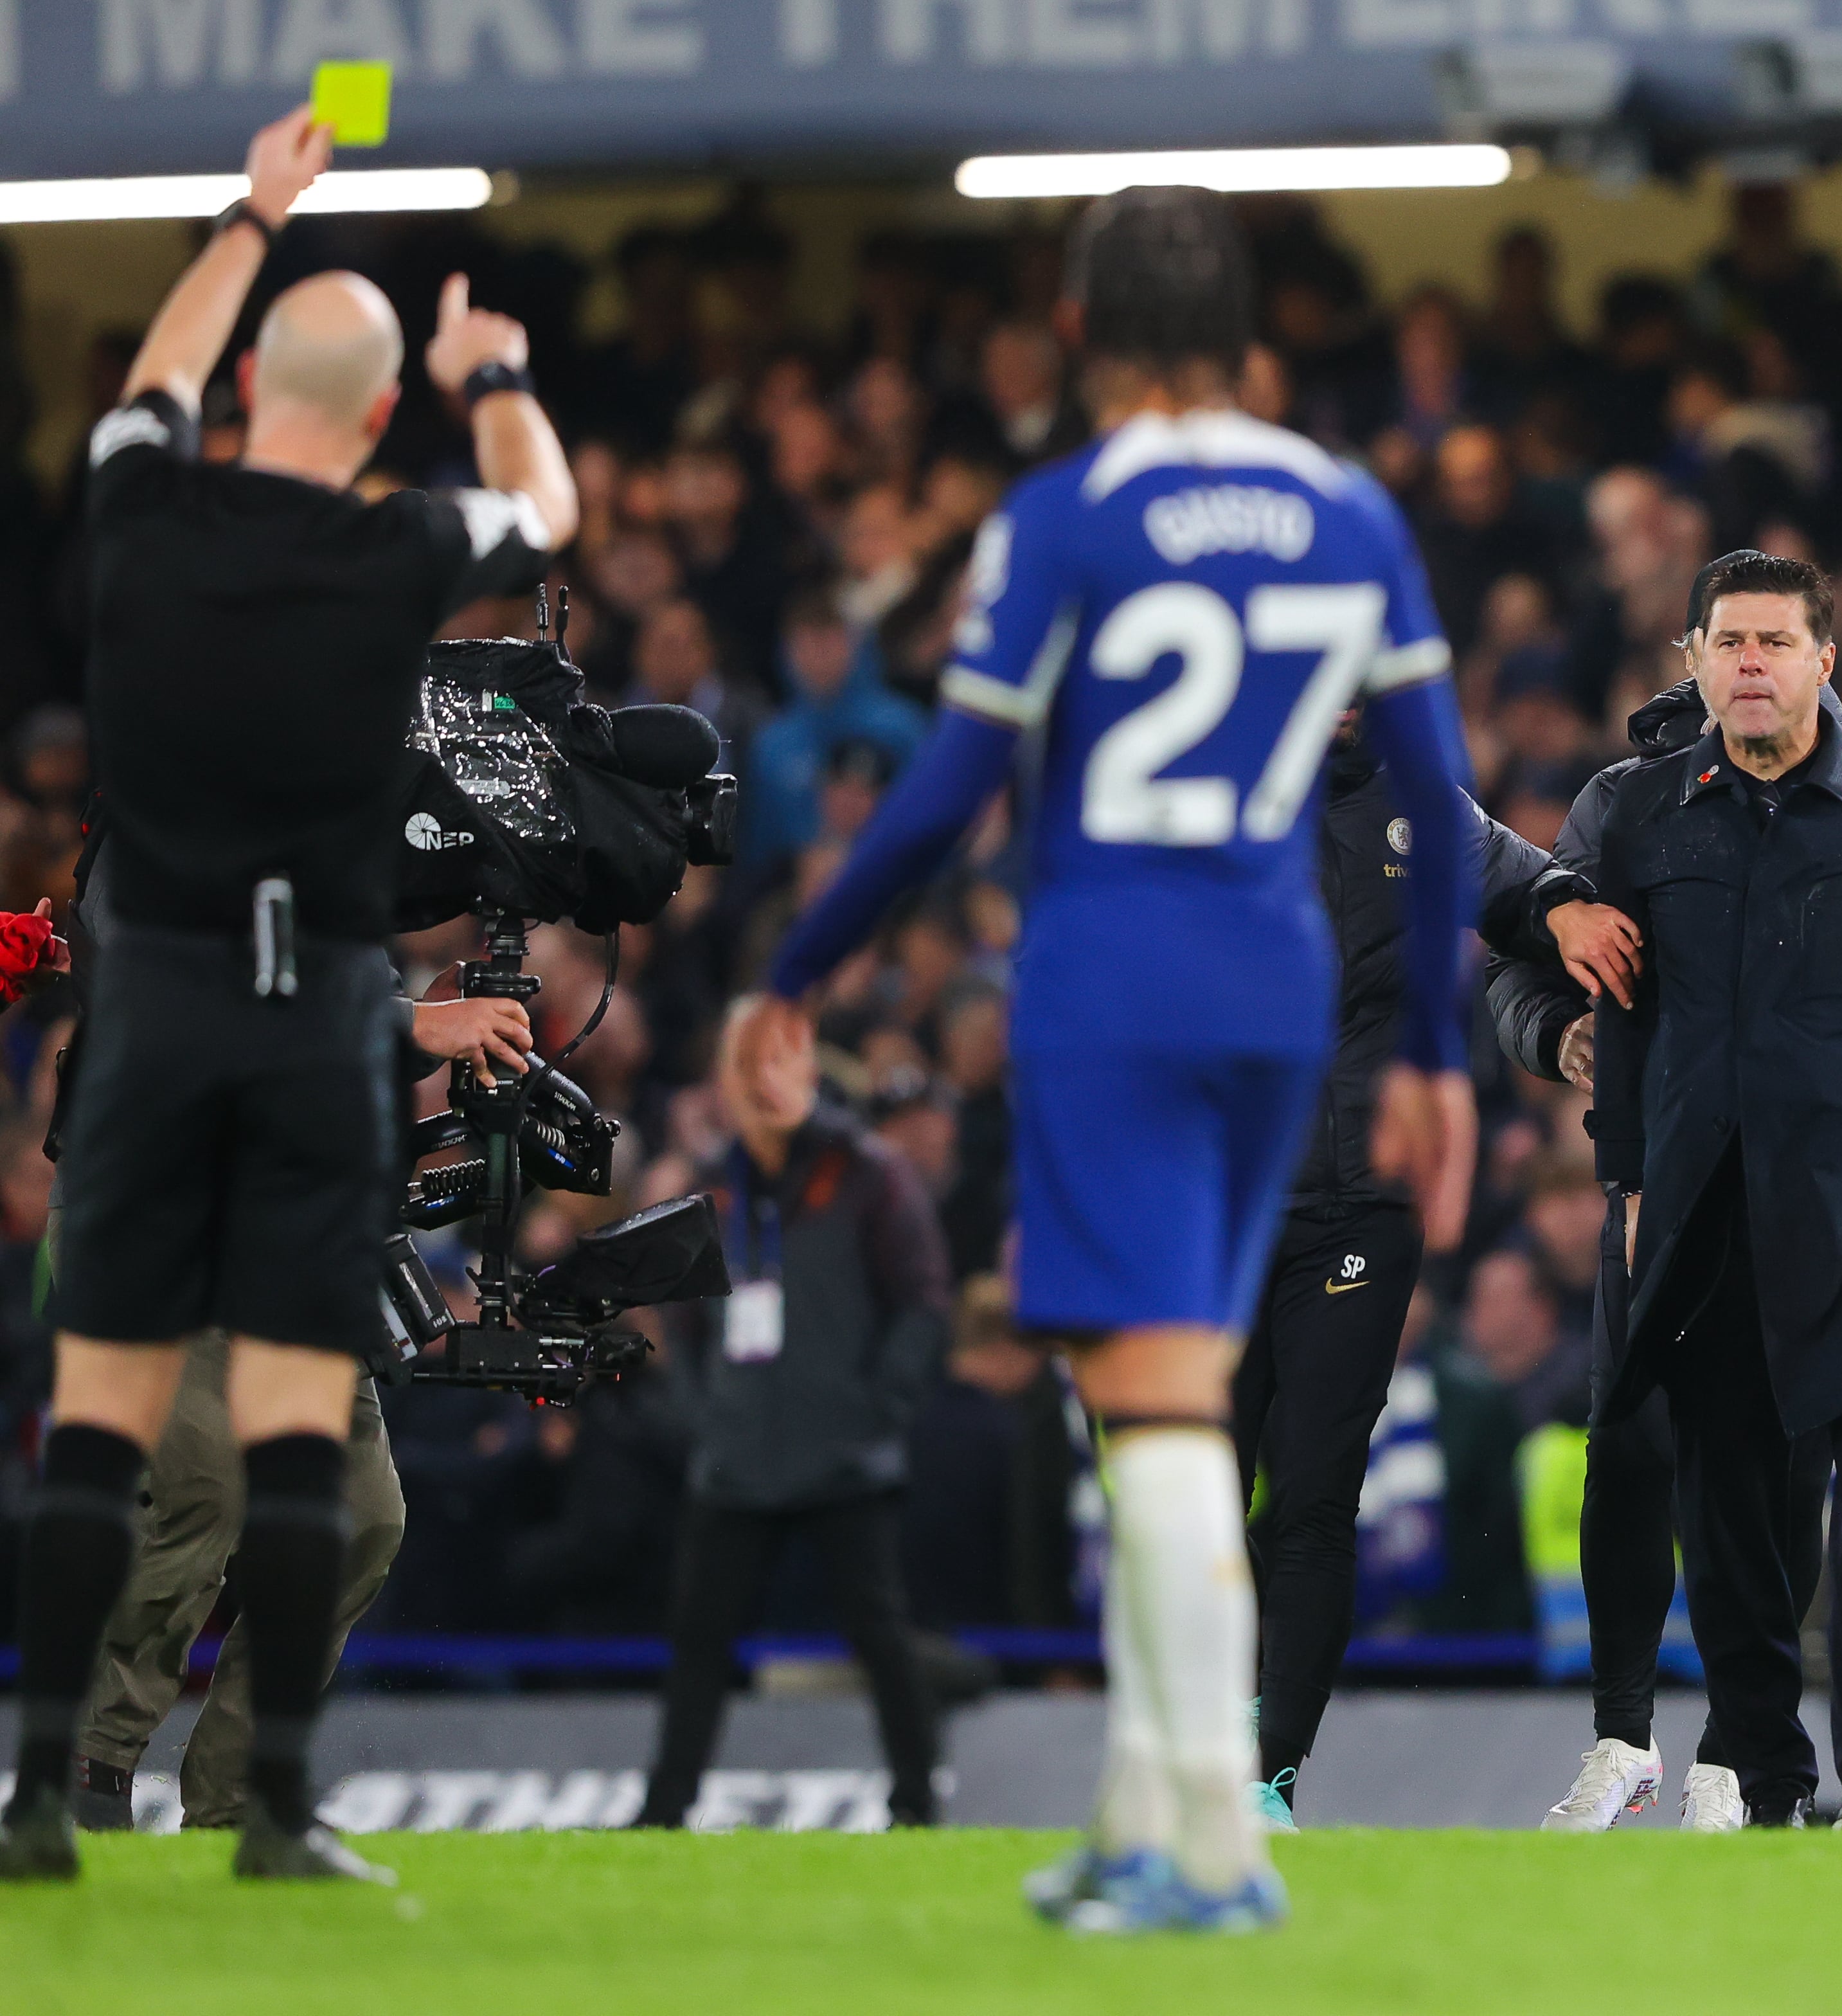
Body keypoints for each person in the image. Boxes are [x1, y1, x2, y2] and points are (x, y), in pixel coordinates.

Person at [741, 186, 1476, 1935]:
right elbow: (1439, 810)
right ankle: (1145, 1808)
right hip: (1279, 999)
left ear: (1077, 333)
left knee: (1149, 1408)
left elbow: (945, 790)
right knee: (1174, 1390)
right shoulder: (1350, 507)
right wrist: (1440, 1050)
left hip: (1110, 984)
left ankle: (1214, 1842)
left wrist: (799, 967)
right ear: (1248, 335)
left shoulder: (1062, 515)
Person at [3, 106, 573, 1886]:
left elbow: (145, 391)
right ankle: (283, 1820)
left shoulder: (145, 506)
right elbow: (547, 507)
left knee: (101, 1424)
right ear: (383, 416)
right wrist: (498, 371)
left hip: (156, 1014)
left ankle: (33, 1809)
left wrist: (252, 219)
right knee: (298, 1431)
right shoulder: (397, 547)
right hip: (318, 1016)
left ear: (247, 383)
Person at [1491, 672, 1842, 1832]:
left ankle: (1763, 1757)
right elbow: (1523, 951)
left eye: (1772, 641)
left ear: (1816, 662)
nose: (1749, 669)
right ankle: (1627, 1733)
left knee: (1806, 1462)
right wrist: (1559, 1035)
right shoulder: (1627, 804)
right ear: (1700, 659)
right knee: (1649, 1449)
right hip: (1670, 1183)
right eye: (1729, 643)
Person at [1226, 708, 1631, 1832]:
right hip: (1218, 1202)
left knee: (1310, 1496)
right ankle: (1186, 1754)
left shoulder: (1423, 806)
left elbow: (1527, 889)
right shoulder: (1198, 796)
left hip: (1363, 1200)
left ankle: (1268, 1774)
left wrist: (1573, 920)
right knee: (1196, 1492)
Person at [67, 984, 533, 1832]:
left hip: (295, 1247)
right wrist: (403, 1020)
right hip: (167, 1231)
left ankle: (236, 1794)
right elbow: (199, 999)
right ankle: (95, 1763)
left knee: (362, 1516)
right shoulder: (176, 865)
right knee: (212, 1486)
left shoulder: (352, 896)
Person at [633, 1000, 952, 1831]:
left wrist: (877, 1407)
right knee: (699, 1638)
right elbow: (683, 1316)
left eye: (777, 1062)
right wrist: (704, 1413)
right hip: (737, 1451)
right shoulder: (712, 1184)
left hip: (844, 1450)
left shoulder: (868, 1173)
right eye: (744, 1068)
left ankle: (918, 1801)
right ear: (726, 1086)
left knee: (880, 1633)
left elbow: (922, 1302)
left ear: (808, 1072)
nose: (761, 1083)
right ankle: (665, 1809)